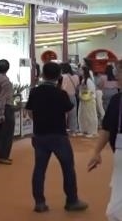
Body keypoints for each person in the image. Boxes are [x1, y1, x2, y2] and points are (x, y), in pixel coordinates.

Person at [25, 62, 88, 213]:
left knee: (39, 169)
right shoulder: (61, 94)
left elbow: (29, 112)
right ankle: (72, 201)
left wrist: (39, 121)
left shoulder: (34, 92)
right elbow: (68, 111)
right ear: (59, 76)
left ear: (42, 74)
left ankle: (39, 202)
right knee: (68, 168)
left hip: (40, 135)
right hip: (59, 135)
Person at [87, 78, 122, 219]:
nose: (117, 77)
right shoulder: (117, 100)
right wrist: (96, 152)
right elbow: (107, 128)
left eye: (120, 72)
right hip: (119, 153)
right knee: (114, 210)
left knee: (114, 211)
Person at [60, 63, 81, 136]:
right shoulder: (76, 77)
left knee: (64, 114)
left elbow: (61, 87)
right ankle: (73, 130)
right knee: (73, 114)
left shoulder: (62, 77)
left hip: (64, 96)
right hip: (73, 96)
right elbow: (78, 86)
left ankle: (63, 130)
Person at [79, 66, 99, 138]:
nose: (79, 71)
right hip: (83, 100)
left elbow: (91, 91)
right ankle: (84, 130)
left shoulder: (89, 81)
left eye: (81, 70)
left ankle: (92, 131)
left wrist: (84, 95)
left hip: (89, 100)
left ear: (84, 71)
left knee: (90, 116)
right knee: (83, 116)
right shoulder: (83, 80)